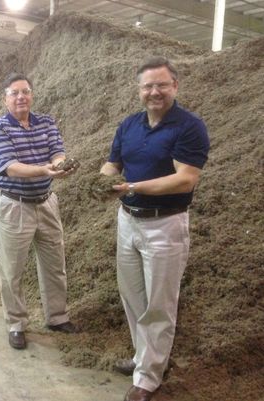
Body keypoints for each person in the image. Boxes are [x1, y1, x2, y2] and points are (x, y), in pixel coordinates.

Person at [100, 57, 210, 401]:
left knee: (160, 304)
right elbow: (112, 164)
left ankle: (148, 377)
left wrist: (133, 187)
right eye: (148, 86)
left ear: (175, 86)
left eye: (162, 85)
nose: (155, 92)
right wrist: (97, 181)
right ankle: (142, 358)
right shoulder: (129, 125)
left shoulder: (189, 126)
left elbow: (185, 179)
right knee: (133, 296)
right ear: (139, 90)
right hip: (128, 220)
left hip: (165, 224)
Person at [0, 73, 78, 350]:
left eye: (25, 92)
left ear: (32, 95)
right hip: (16, 205)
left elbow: (57, 150)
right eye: (14, 93)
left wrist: (61, 164)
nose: (20, 97)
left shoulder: (47, 122)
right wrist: (44, 169)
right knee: (12, 269)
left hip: (46, 201)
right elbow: (9, 166)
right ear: (5, 99)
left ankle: (57, 317)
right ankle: (16, 324)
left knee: (54, 263)